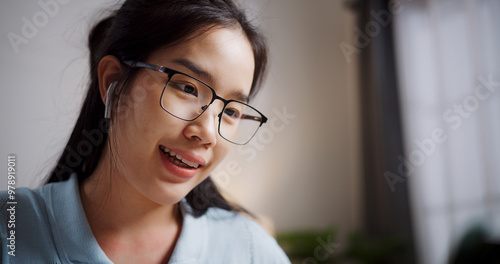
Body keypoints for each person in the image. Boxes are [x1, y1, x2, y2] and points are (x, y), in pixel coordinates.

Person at [0, 0, 291, 263]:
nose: (207, 134)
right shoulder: (9, 229)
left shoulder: (251, 251)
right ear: (113, 81)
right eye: (188, 88)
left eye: (230, 111)